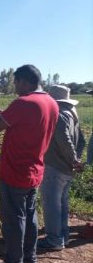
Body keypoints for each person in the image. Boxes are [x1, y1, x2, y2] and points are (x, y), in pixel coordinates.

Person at [0, 64, 58, 263]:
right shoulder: (51, 103)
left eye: (16, 82)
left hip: (15, 171)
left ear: (24, 81)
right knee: (30, 216)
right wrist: (5, 115)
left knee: (13, 220)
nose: (15, 87)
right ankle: (29, 262)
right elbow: (27, 124)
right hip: (34, 171)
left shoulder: (23, 103)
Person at [37, 85, 85, 251]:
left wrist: (72, 159)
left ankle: (54, 240)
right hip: (67, 168)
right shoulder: (72, 115)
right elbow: (82, 141)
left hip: (54, 166)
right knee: (62, 203)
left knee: (51, 204)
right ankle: (62, 235)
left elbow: (64, 140)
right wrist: (76, 160)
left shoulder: (57, 114)